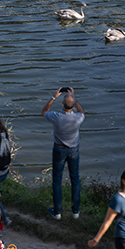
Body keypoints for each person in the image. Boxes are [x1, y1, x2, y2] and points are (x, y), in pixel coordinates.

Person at [41, 89, 85, 218]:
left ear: (62, 103)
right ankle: (76, 211)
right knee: (75, 179)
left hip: (59, 149)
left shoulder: (56, 117)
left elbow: (44, 111)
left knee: (57, 180)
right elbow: (82, 112)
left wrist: (53, 97)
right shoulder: (78, 118)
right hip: (74, 150)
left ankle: (58, 212)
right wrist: (74, 98)